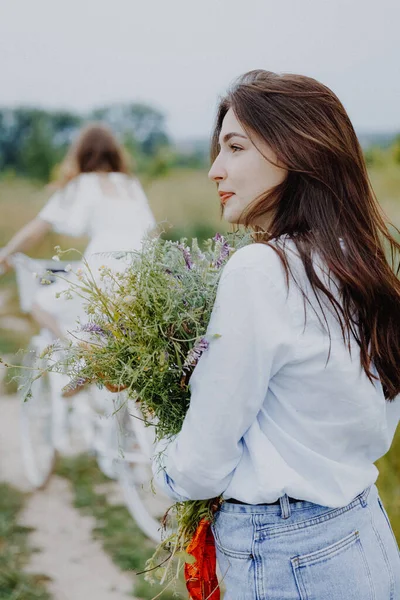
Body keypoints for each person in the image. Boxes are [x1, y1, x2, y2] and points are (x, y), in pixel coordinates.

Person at [153, 70, 400, 599]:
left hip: (290, 555)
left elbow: (202, 464)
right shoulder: (355, 266)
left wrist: (163, 472)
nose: (215, 169)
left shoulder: (260, 271)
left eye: (234, 146)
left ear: (295, 150)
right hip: (365, 532)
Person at [0, 123, 155, 338]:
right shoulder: (130, 184)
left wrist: (6, 253)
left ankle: (73, 350)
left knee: (39, 305)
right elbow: (152, 231)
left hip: (103, 268)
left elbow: (36, 229)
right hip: (141, 270)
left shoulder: (83, 183)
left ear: (81, 152)